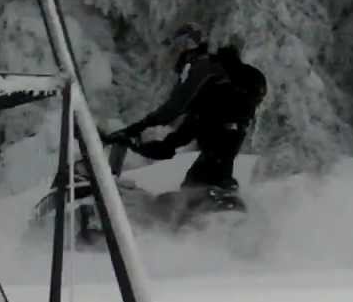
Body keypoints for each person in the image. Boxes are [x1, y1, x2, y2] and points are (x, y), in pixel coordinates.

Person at [105, 23, 264, 198]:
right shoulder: (204, 109)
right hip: (229, 134)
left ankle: (222, 214)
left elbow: (175, 107)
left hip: (222, 135)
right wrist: (134, 144)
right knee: (203, 181)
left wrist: (137, 128)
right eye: (179, 44)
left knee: (204, 183)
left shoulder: (204, 68)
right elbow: (169, 146)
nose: (182, 50)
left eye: (185, 43)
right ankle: (224, 211)